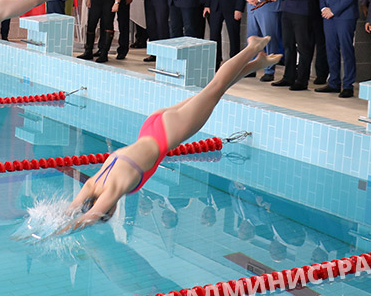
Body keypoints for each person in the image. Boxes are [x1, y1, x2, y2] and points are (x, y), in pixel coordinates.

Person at [57, 36, 280, 232]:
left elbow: (88, 217)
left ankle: (252, 47)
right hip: (151, 125)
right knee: (212, 89)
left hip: (168, 133)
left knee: (216, 86)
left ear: (108, 209)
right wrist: (55, 225)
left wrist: (61, 233)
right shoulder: (92, 184)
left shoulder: (114, 190)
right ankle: (256, 63)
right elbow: (72, 210)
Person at [316, 0, 365, 98]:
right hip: (328, 15)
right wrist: (323, 7)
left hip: (344, 16)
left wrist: (333, 10)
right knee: (331, 49)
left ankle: (348, 84)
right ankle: (334, 82)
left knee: (346, 49)